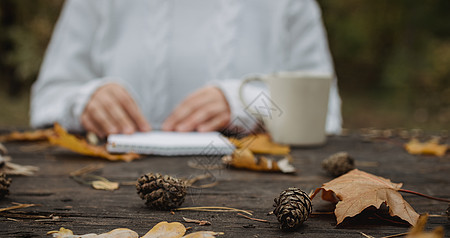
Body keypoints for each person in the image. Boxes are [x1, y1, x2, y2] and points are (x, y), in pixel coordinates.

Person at [31, 0, 342, 138]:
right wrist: (84, 99)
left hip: (256, 204)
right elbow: (48, 99)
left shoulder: (289, 4)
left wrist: (247, 103)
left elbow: (325, 113)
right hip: (99, 199)